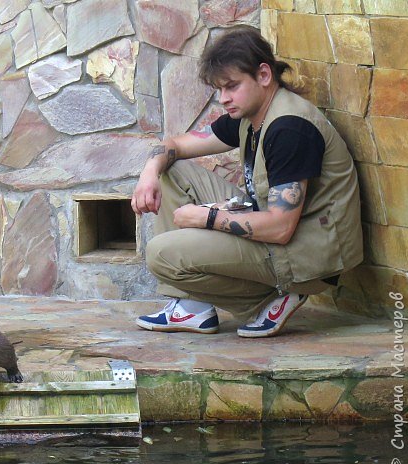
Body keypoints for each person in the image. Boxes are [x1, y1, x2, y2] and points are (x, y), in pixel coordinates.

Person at [131, 25, 363, 338]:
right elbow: (178, 145)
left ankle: (273, 296)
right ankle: (192, 308)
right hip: (275, 227)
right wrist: (149, 173)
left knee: (161, 253)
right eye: (219, 89)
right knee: (171, 171)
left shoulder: (289, 130)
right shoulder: (250, 113)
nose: (223, 99)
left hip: (310, 252)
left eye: (232, 86)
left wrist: (208, 217)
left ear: (264, 75)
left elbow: (281, 228)